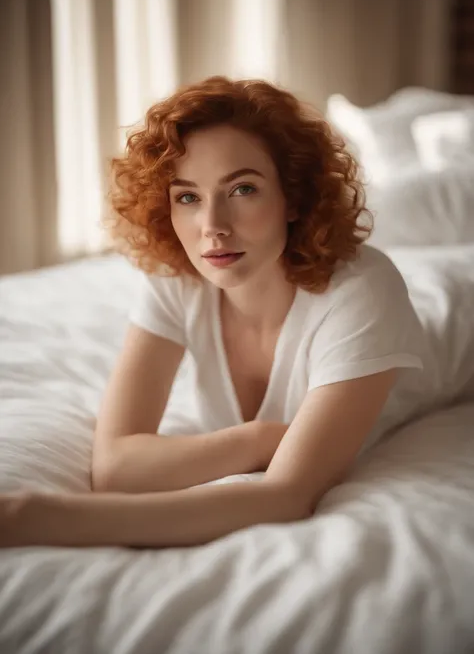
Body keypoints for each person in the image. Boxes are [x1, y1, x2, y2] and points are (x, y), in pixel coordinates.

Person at [1, 76, 425, 548]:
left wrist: (44, 518)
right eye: (187, 197)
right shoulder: (179, 279)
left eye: (242, 189)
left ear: (294, 196)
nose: (212, 228)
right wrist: (262, 438)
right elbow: (117, 469)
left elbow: (287, 496)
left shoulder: (363, 292)